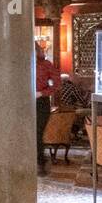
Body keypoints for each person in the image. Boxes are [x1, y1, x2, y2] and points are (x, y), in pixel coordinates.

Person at [35, 42, 62, 175]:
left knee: (37, 133)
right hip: (23, 104)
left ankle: (41, 162)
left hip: (41, 103)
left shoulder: (46, 65)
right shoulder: (19, 65)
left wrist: (41, 93)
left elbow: (57, 84)